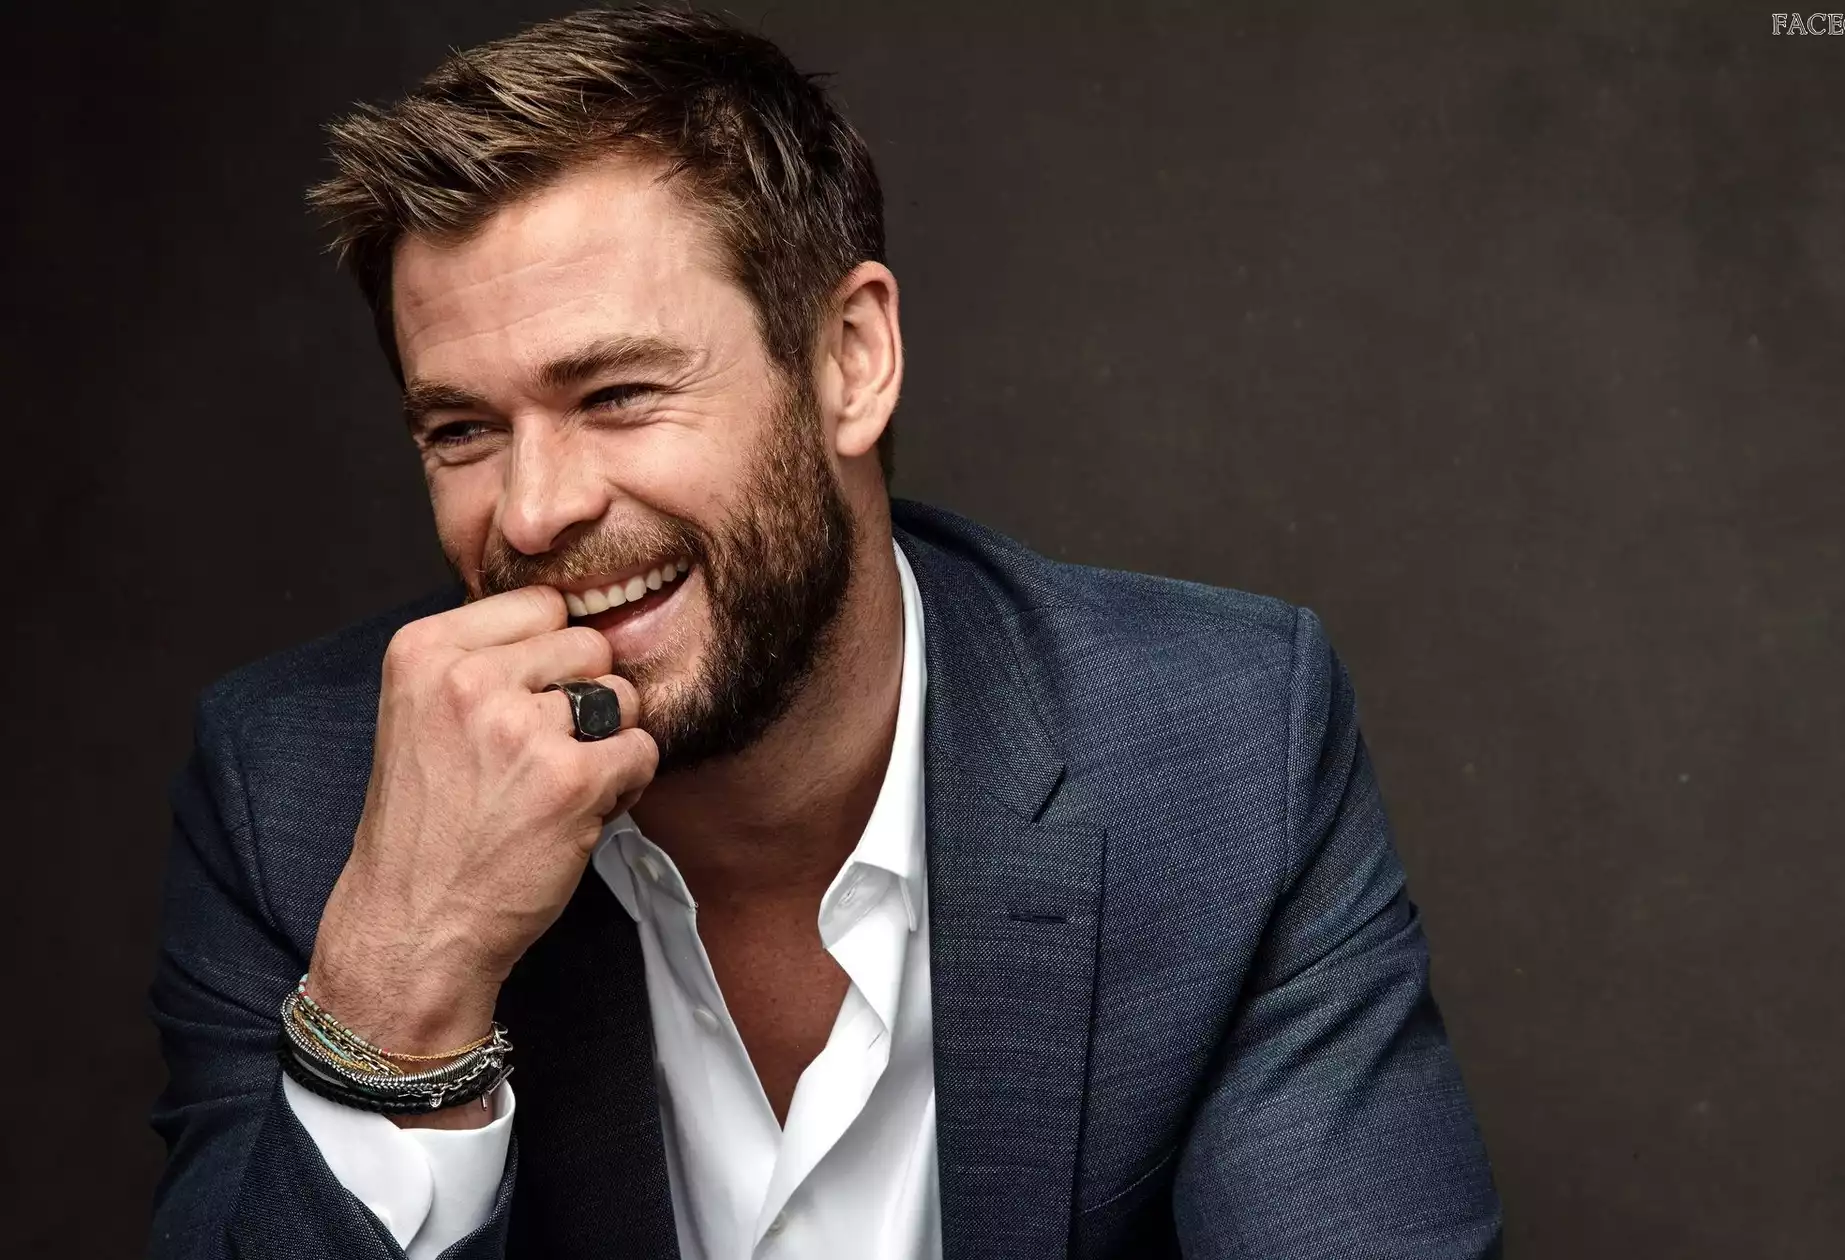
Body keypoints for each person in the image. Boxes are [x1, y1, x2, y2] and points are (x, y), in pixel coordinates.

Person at [147, 7, 1502, 1258]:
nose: (537, 509)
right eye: (461, 429)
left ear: (852, 357)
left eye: (618, 393)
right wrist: (399, 989)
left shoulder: (1216, 752)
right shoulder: (301, 796)